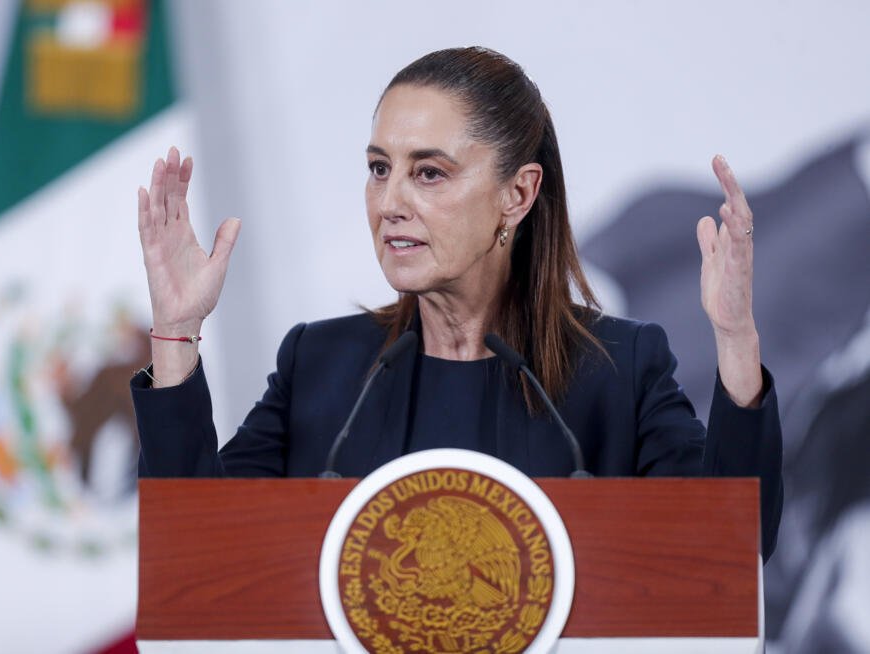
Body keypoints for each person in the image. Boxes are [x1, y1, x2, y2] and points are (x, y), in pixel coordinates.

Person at [130, 47, 782, 560]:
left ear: (517, 196)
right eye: (379, 168)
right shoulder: (322, 364)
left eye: (429, 172)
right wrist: (177, 332)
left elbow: (734, 545)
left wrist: (734, 341)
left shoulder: (619, 368)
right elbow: (193, 547)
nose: (389, 204)